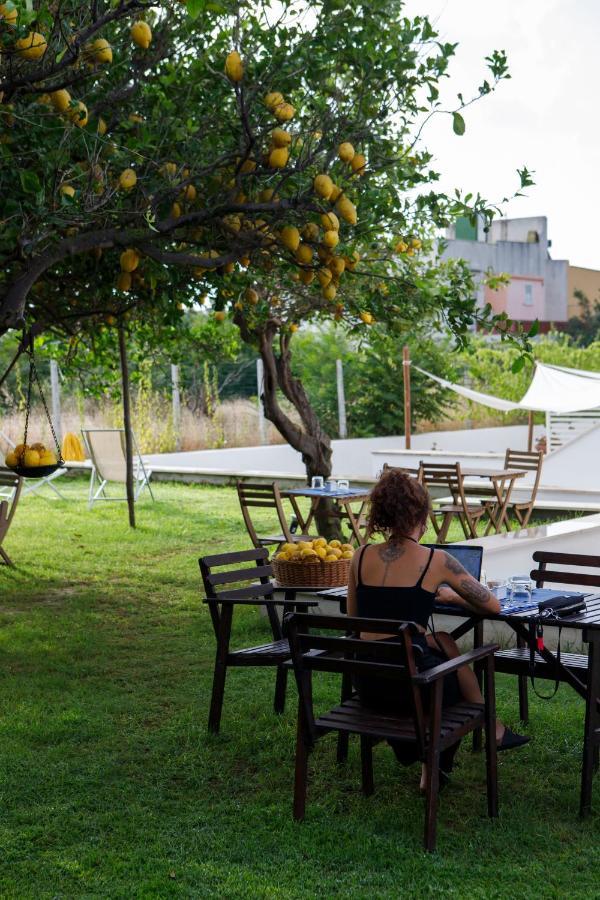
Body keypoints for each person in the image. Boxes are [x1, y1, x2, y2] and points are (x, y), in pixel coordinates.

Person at [346, 468, 529, 789]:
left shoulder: (359, 557)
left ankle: (443, 745)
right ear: (422, 514)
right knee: (458, 690)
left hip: (370, 684)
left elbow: (356, 622)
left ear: (382, 514)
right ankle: (433, 762)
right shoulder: (437, 560)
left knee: (442, 641)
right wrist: (451, 597)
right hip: (414, 688)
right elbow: (493, 606)